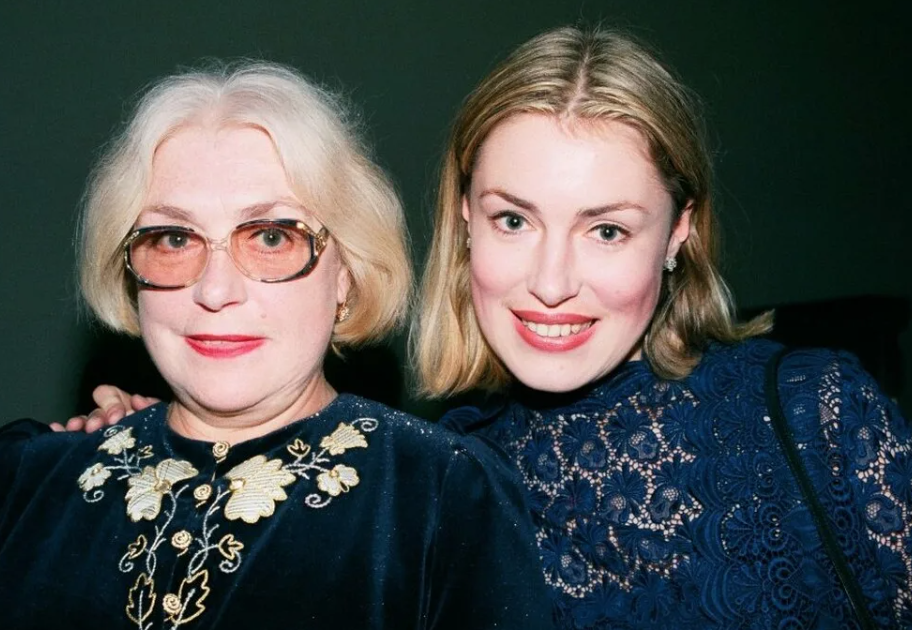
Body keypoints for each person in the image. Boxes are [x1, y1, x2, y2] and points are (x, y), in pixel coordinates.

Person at [69, 26, 912, 629]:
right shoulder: (429, 482)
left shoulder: (814, 413)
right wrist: (162, 444)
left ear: (677, 234)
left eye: (606, 229)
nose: (550, 283)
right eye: (514, 220)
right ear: (467, 219)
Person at [0, 61, 552, 629]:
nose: (215, 291)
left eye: (271, 237)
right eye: (173, 239)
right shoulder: (11, 485)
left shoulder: (444, 497)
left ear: (347, 271)